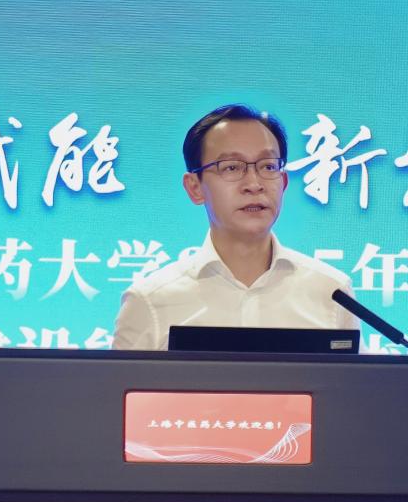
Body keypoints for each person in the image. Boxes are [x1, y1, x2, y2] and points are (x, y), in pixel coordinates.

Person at [112, 103, 360, 350]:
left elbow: (355, 377)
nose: (254, 184)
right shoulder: (150, 302)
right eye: (231, 167)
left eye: (268, 167)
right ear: (195, 188)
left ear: (283, 182)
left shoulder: (331, 292)